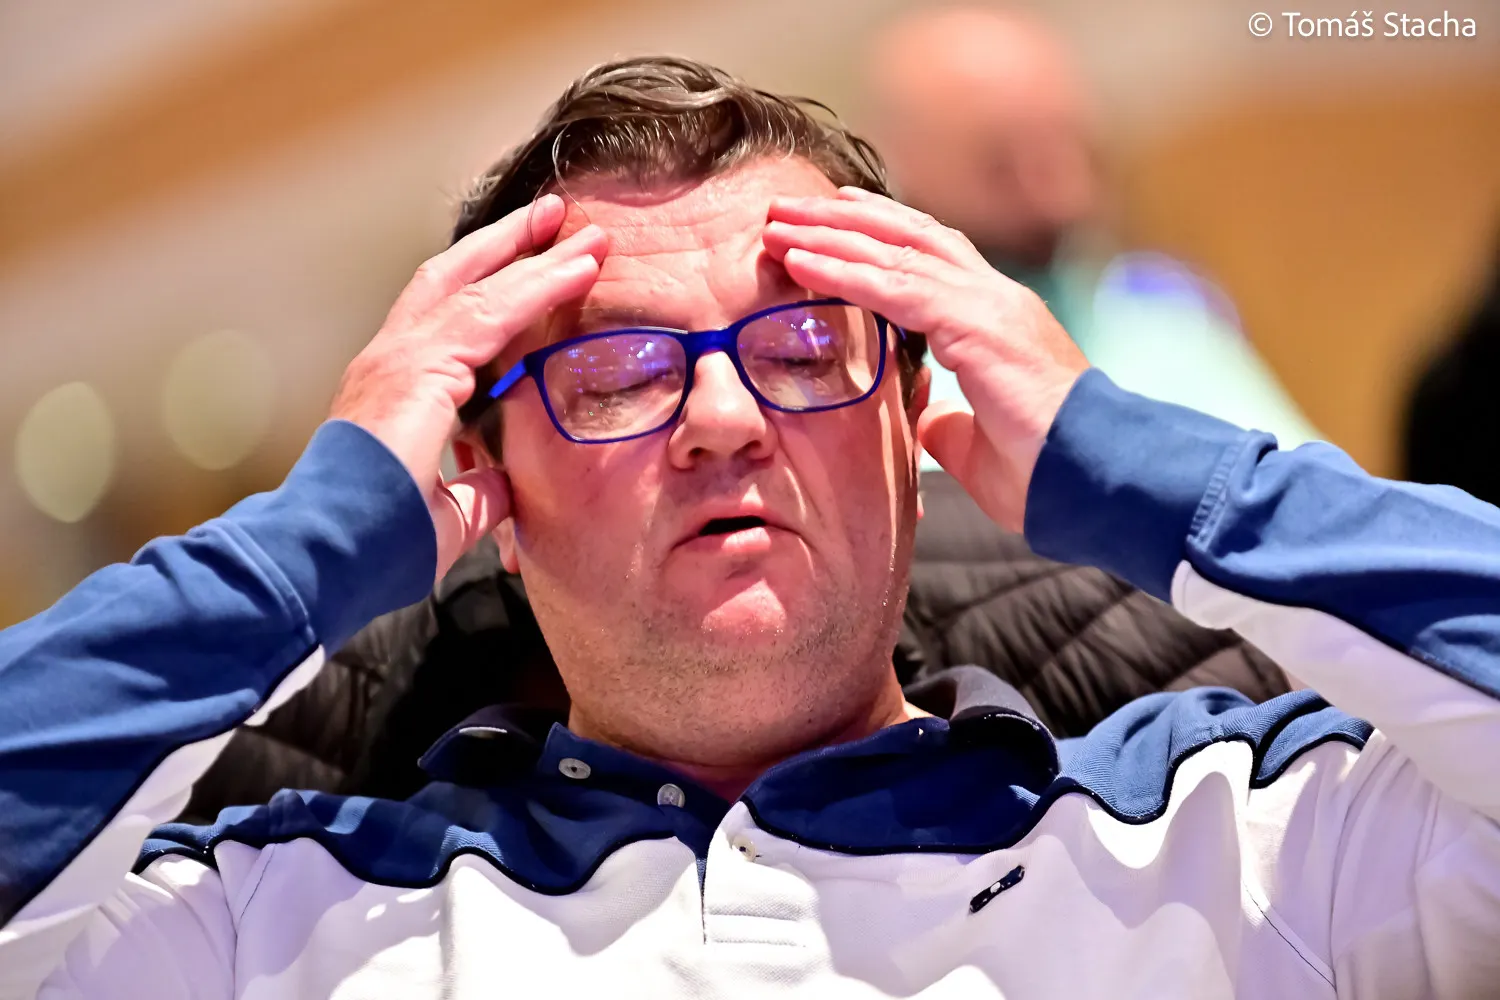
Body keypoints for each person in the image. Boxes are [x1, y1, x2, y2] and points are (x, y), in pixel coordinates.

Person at [2, 56, 1498, 999]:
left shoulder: (1244, 841)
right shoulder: (272, 921)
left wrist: (1143, 464)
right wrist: (313, 542)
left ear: (912, 426)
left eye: (804, 346)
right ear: (489, 495)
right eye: (613, 372)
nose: (722, 418)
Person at [864, 5, 1321, 468]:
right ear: (906, 159)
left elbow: (1297, 483)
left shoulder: (1163, 315)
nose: (1063, 192)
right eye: (1003, 160)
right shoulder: (868, 353)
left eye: (1071, 141)